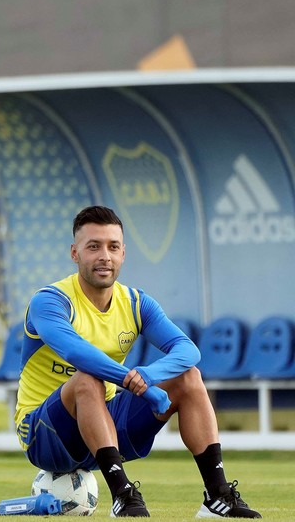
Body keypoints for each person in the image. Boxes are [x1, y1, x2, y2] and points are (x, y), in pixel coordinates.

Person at [15, 205, 261, 518]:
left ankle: (217, 496)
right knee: (87, 379)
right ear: (75, 253)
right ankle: (123, 495)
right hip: (44, 434)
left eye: (113, 247)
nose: (105, 256)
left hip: (103, 424)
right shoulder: (50, 300)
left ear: (123, 253)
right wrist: (138, 385)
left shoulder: (136, 302)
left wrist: (148, 375)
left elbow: (187, 350)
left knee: (189, 377)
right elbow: (76, 353)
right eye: (94, 247)